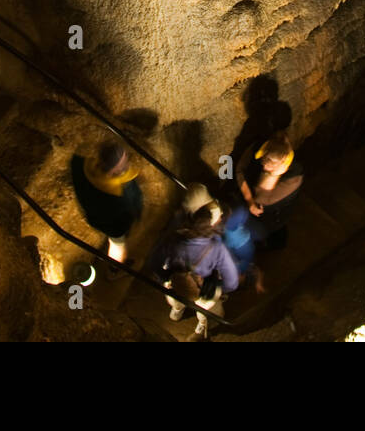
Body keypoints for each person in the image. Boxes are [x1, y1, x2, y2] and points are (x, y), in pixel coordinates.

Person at [148, 203, 239, 339]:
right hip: (202, 291)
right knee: (205, 310)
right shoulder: (217, 249)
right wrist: (219, 288)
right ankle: (201, 327)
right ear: (211, 226)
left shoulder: (173, 238)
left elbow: (153, 262)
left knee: (175, 298)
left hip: (176, 284)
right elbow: (232, 283)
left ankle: (177, 311)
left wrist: (166, 277)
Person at [70, 140, 143, 273]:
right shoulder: (116, 196)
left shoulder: (82, 163)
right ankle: (114, 268)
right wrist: (131, 220)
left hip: (94, 214)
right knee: (117, 245)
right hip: (111, 224)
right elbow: (121, 218)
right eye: (122, 163)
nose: (127, 163)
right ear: (112, 171)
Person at [238, 131, 303, 251]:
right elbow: (239, 170)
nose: (264, 168)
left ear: (282, 165)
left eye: (270, 166)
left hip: (275, 216)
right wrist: (248, 199)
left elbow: (262, 198)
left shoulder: (293, 178)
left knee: (274, 234)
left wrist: (272, 176)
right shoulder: (259, 147)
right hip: (257, 210)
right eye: (263, 161)